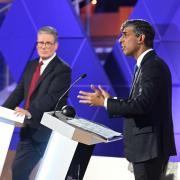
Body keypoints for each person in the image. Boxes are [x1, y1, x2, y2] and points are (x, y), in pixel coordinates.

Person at [77, 19, 176, 180]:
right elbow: (141, 102)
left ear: (140, 38)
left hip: (149, 149)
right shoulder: (145, 65)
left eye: (125, 35)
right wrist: (111, 101)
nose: (120, 40)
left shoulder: (152, 66)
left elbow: (141, 105)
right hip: (146, 149)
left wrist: (105, 103)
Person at [3, 26, 71, 180]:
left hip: (45, 130)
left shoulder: (62, 69)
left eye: (48, 43)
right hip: (27, 129)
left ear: (56, 45)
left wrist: (30, 111)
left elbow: (52, 97)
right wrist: (2, 110)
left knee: (23, 171)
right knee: (18, 171)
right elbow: (19, 91)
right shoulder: (32, 65)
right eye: (40, 43)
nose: (44, 46)